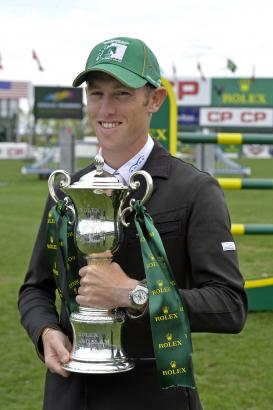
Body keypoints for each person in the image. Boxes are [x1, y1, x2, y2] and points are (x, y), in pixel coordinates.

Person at [18, 36, 247, 410]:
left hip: (153, 393)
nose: (105, 108)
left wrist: (134, 294)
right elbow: (35, 289)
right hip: (70, 392)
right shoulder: (67, 189)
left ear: (153, 100)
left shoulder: (195, 190)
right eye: (96, 94)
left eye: (121, 94)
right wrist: (45, 331)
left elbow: (229, 304)